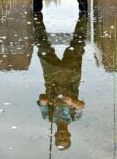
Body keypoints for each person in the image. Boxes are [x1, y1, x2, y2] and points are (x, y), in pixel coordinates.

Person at [34, 13, 87, 150]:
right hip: (72, 76)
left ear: (55, 136)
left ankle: (36, 16)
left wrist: (45, 101)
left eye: (59, 139)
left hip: (52, 77)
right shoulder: (74, 117)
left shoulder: (48, 117)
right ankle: (84, 13)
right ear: (70, 135)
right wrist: (72, 102)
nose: (62, 137)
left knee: (42, 47)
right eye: (65, 139)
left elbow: (41, 100)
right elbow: (81, 106)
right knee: (78, 45)